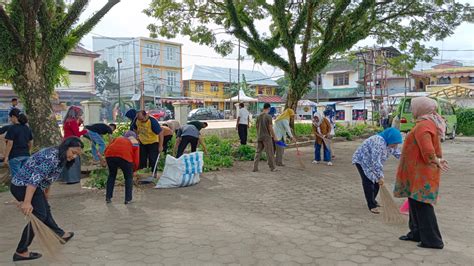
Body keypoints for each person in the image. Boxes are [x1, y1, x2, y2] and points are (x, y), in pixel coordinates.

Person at [10, 137, 83, 262]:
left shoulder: (60, 156)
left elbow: (48, 178)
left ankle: (60, 234)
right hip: (23, 186)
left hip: (33, 186)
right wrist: (27, 202)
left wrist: (45, 194)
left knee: (45, 210)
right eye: (73, 152)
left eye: (77, 154)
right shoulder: (52, 158)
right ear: (66, 147)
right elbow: (34, 179)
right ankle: (21, 251)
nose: (74, 156)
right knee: (39, 216)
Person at [394, 97, 448, 249]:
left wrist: (435, 159)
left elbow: (427, 149)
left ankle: (433, 240)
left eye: (413, 107)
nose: (412, 110)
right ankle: (416, 233)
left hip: (422, 172)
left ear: (421, 109)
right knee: (414, 202)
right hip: (417, 171)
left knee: (422, 204)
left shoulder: (423, 125)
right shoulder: (426, 123)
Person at [352, 128, 402, 214]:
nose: (395, 146)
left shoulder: (391, 143)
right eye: (394, 144)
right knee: (368, 181)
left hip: (371, 162)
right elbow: (376, 162)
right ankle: (371, 205)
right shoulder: (378, 143)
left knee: (376, 183)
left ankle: (373, 200)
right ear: (390, 139)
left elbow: (398, 154)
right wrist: (380, 176)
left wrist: (408, 161)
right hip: (362, 160)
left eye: (397, 144)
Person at [104, 131, 140, 204]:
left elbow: (107, 148)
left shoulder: (118, 138)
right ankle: (128, 199)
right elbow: (136, 158)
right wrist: (134, 169)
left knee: (112, 175)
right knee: (128, 178)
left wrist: (106, 158)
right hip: (125, 157)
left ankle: (108, 197)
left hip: (110, 156)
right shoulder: (135, 142)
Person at [61, 106, 87, 184]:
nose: (79, 116)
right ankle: (73, 179)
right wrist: (85, 131)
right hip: (73, 143)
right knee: (74, 161)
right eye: (79, 114)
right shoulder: (72, 121)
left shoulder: (67, 121)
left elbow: (73, 130)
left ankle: (67, 178)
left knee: (68, 160)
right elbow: (77, 134)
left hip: (66, 142)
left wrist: (79, 123)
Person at [4, 109, 33, 177]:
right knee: (25, 176)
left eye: (10, 117)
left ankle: (17, 187)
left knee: (16, 178)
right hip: (26, 155)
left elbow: (9, 144)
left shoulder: (12, 128)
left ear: (14, 117)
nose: (10, 119)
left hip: (15, 156)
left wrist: (6, 157)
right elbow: (31, 142)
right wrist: (29, 151)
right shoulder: (27, 128)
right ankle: (24, 187)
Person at [253, 103, 278, 172]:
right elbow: (270, 128)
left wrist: (258, 134)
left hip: (259, 136)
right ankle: (272, 167)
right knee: (270, 152)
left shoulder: (258, 116)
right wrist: (274, 136)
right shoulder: (269, 117)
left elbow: (256, 126)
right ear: (269, 108)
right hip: (267, 137)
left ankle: (255, 167)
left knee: (258, 152)